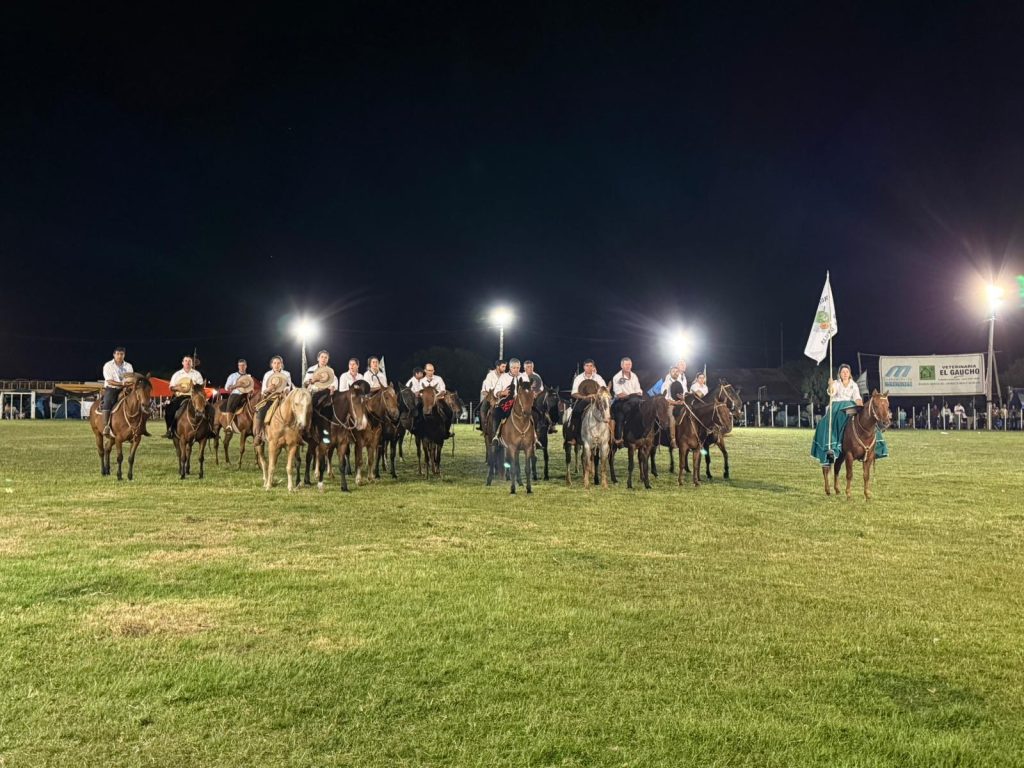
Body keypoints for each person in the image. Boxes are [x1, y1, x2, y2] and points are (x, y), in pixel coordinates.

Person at [810, 363, 888, 465]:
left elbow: (857, 397)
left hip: (850, 406)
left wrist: (861, 406)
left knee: (866, 421)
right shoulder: (836, 383)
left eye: (847, 372)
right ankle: (832, 448)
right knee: (831, 423)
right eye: (843, 372)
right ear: (840, 374)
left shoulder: (853, 385)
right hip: (837, 407)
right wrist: (830, 385)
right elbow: (831, 392)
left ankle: (876, 444)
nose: (845, 374)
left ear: (849, 373)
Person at [253, 356, 293, 447]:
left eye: (278, 363)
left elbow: (289, 385)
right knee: (261, 410)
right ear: (271, 364)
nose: (276, 365)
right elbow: (263, 390)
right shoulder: (267, 374)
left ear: (281, 364)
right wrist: (269, 389)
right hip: (271, 398)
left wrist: (286, 389)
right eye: (274, 363)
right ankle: (258, 435)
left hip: (283, 398)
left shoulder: (287, 374)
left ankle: (297, 434)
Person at [565, 359, 608, 445]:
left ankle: (609, 437)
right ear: (584, 367)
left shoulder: (598, 378)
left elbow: (604, 390)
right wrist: (584, 397)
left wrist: (597, 396)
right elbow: (574, 393)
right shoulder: (579, 378)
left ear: (593, 367)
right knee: (575, 412)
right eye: (587, 366)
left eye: (591, 366)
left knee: (607, 412)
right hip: (582, 400)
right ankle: (573, 437)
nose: (589, 368)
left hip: (597, 400)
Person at [490, 358, 531, 442]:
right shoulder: (503, 377)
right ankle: (496, 436)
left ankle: (535, 438)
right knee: (497, 413)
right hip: (507, 402)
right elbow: (495, 392)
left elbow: (528, 389)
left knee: (535, 414)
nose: (516, 370)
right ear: (510, 367)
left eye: (518, 367)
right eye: (514, 368)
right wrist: (502, 392)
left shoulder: (524, 376)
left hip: (522, 402)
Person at [165, 355, 205, 438]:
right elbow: (171, 387)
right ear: (182, 363)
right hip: (180, 397)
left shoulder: (197, 374)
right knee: (169, 409)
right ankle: (169, 430)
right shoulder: (177, 374)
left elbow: (201, 387)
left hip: (194, 397)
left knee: (209, 409)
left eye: (189, 361)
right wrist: (178, 388)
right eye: (186, 361)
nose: (187, 362)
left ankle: (210, 430)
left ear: (192, 363)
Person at [100, 346, 134, 437]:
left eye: (122, 354)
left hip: (126, 388)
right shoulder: (108, 365)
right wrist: (123, 384)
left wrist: (128, 385)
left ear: (124, 355)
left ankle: (139, 424)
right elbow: (109, 380)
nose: (119, 356)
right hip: (112, 388)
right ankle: (106, 426)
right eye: (118, 354)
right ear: (114, 355)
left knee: (136, 400)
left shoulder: (128, 366)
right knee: (107, 402)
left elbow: (130, 378)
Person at [610, 357, 643, 446]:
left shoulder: (634, 376)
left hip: (635, 400)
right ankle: (619, 437)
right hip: (621, 402)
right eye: (626, 364)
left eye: (630, 364)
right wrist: (632, 395)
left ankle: (641, 435)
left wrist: (635, 394)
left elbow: (639, 390)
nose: (629, 366)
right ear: (621, 365)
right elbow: (619, 394)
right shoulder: (617, 377)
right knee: (620, 416)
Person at [478, 360, 506, 431]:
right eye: (503, 367)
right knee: (483, 409)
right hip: (491, 396)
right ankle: (484, 426)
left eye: (505, 367)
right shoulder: (490, 375)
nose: (504, 368)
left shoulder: (505, 376)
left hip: (502, 397)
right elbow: (487, 387)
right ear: (497, 367)